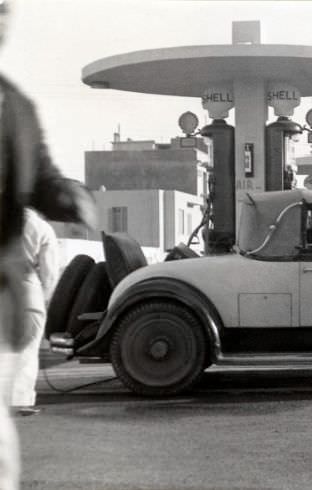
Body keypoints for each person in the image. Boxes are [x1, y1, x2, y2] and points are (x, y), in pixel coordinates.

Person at [0, 1, 96, 487]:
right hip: (22, 292)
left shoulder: (16, 108)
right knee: (21, 355)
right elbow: (50, 264)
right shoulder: (35, 223)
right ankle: (20, 402)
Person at [7, 209, 58, 415]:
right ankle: (18, 401)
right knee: (26, 351)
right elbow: (50, 273)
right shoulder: (41, 227)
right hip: (27, 293)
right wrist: (44, 297)